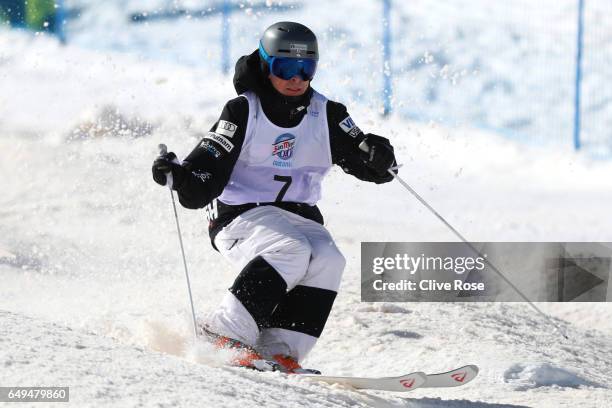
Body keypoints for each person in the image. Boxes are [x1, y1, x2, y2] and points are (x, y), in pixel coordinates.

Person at [152, 21, 397, 373]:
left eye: (306, 69)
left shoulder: (327, 114)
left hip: (299, 216)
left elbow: (367, 162)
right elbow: (209, 162)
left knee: (329, 258)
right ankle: (223, 332)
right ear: (267, 65)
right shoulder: (242, 110)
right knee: (291, 249)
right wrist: (181, 176)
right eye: (286, 68)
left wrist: (379, 155)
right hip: (240, 217)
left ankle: (278, 347)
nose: (296, 79)